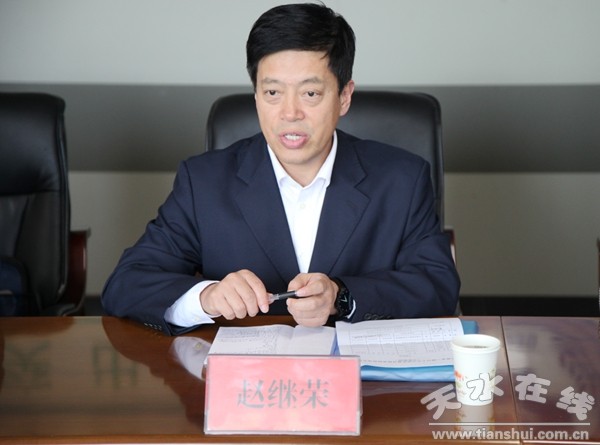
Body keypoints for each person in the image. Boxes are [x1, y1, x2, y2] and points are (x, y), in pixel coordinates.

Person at [102, 2, 460, 335]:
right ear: (256, 95)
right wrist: (206, 297)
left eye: (310, 94)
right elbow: (127, 283)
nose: (290, 113)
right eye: (272, 93)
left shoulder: (402, 179)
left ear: (344, 97)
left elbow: (437, 284)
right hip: (247, 377)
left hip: (361, 375)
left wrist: (341, 297)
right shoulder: (204, 182)